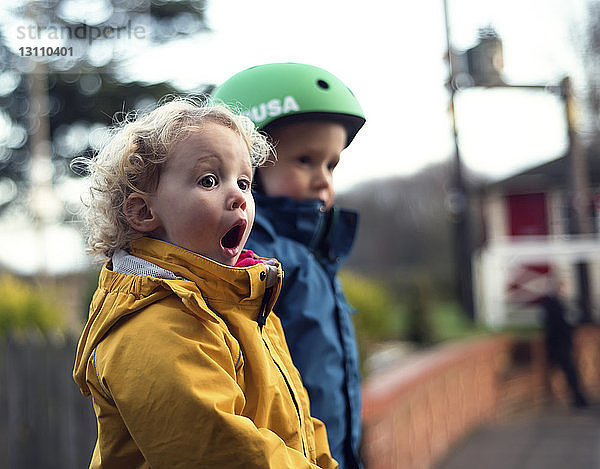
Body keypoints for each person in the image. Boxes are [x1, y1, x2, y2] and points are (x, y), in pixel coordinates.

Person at [72, 99, 338, 468]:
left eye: (244, 182)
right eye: (209, 180)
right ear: (144, 211)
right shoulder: (148, 328)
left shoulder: (247, 302)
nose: (239, 197)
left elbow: (303, 425)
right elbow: (225, 452)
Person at [213, 63, 366, 469]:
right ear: (245, 167)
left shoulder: (310, 256)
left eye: (331, 164)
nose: (323, 180)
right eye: (305, 160)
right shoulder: (251, 258)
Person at [540, 277, 589, 408]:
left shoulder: (556, 302)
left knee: (569, 371)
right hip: (558, 344)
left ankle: (577, 397)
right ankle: (577, 398)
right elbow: (555, 324)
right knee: (569, 371)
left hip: (562, 343)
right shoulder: (551, 304)